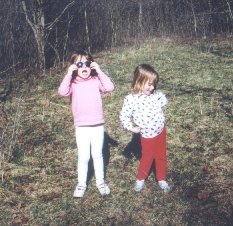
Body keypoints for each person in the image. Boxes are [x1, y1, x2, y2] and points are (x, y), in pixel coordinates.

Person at [58, 50, 114, 197]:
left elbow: (109, 88)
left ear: (92, 65)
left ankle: (100, 181)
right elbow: (62, 92)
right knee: (84, 157)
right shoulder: (73, 83)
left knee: (97, 154)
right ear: (74, 67)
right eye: (79, 64)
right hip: (81, 127)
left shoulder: (96, 81)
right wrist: (68, 74)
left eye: (87, 64)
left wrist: (100, 72)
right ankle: (81, 183)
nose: (84, 68)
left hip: (97, 125)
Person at [120, 64, 170, 192]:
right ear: (139, 81)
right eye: (149, 84)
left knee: (160, 155)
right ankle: (141, 179)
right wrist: (130, 127)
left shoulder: (153, 95)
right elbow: (124, 115)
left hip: (160, 130)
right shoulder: (131, 99)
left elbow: (163, 99)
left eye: (154, 84)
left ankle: (161, 179)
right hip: (148, 134)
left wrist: (160, 100)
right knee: (147, 157)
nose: (152, 87)